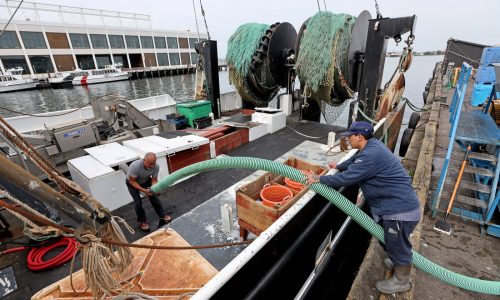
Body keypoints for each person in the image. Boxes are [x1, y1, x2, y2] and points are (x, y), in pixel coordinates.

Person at [306, 121, 420, 294]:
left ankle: (401, 280)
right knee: (389, 240)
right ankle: (398, 263)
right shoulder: (370, 146)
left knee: (397, 245)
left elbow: (346, 179)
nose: (347, 139)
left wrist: (320, 179)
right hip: (393, 206)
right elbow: (354, 160)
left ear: (359, 137)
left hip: (399, 211)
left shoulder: (370, 155)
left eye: (350, 136)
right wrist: (339, 166)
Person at [126, 152, 172, 232]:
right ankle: (142, 222)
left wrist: (155, 189)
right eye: (150, 164)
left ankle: (162, 215)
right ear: (144, 160)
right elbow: (132, 181)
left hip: (145, 180)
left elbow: (154, 180)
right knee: (138, 202)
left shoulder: (156, 166)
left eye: (153, 164)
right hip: (132, 182)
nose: (152, 166)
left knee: (154, 197)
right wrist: (144, 190)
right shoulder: (135, 166)